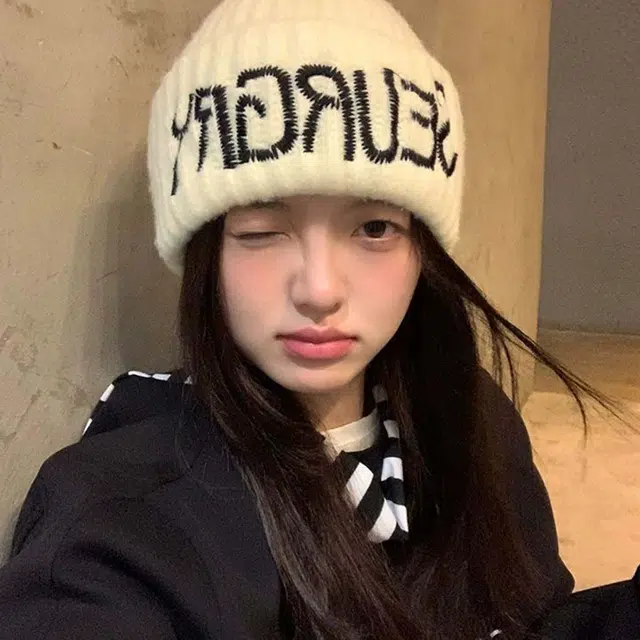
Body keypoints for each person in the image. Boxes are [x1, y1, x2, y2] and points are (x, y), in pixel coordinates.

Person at [0, 0, 630, 638]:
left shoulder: (475, 425)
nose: (320, 290)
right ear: (206, 255)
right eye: (262, 230)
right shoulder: (122, 518)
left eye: (375, 227)